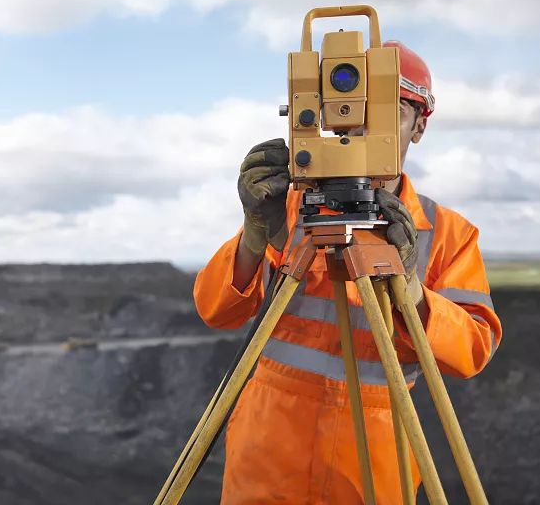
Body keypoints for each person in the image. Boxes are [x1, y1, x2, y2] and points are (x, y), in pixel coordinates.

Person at [194, 40, 502, 504]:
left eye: (387, 112)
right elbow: (216, 311)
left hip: (373, 469)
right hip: (266, 459)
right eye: (353, 111)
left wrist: (411, 288)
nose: (362, 129)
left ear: (419, 126)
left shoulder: (446, 233)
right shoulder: (288, 209)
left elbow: (472, 351)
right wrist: (256, 234)